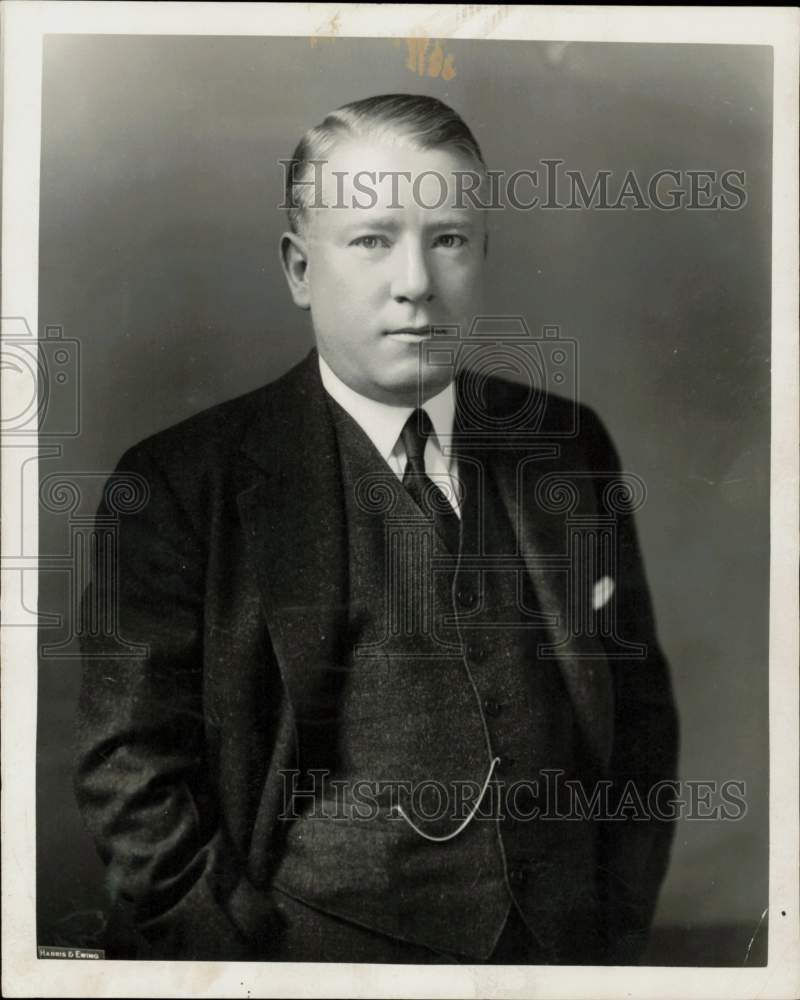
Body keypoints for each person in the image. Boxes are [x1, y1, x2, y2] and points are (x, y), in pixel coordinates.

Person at [74, 93, 679, 965]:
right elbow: (131, 774)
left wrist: (611, 944)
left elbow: (640, 712)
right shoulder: (177, 484)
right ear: (298, 269)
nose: (417, 283)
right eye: (371, 239)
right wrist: (245, 973)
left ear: (483, 255)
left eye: (450, 238)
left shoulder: (567, 444)